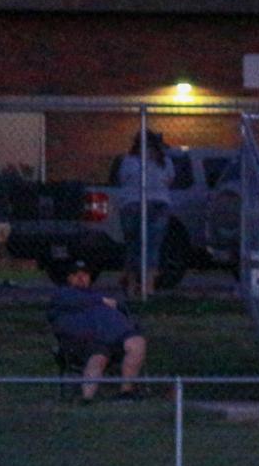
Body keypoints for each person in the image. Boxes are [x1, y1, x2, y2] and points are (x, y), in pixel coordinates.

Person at [47, 260, 147, 402]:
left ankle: (126, 393)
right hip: (84, 342)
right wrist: (101, 300)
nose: (81, 278)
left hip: (116, 338)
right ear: (69, 278)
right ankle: (86, 399)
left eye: (85, 274)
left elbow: (123, 308)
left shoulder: (102, 295)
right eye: (76, 275)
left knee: (137, 342)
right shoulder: (62, 294)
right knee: (98, 357)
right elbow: (72, 300)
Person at [117, 129, 173, 301]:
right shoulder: (163, 162)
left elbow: (122, 179)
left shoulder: (129, 162)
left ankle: (135, 285)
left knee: (134, 246)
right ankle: (147, 287)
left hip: (135, 204)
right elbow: (169, 180)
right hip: (154, 204)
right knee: (150, 247)